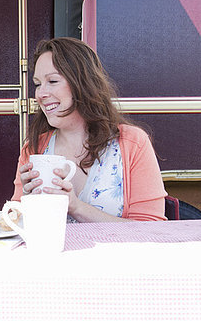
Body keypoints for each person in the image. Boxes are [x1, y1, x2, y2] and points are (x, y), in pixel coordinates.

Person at [12, 38, 167, 222]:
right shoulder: (33, 149)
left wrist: (76, 207)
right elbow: (14, 221)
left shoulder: (132, 143)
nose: (40, 94)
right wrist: (27, 206)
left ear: (83, 84)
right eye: (37, 84)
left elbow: (151, 229)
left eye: (52, 81)